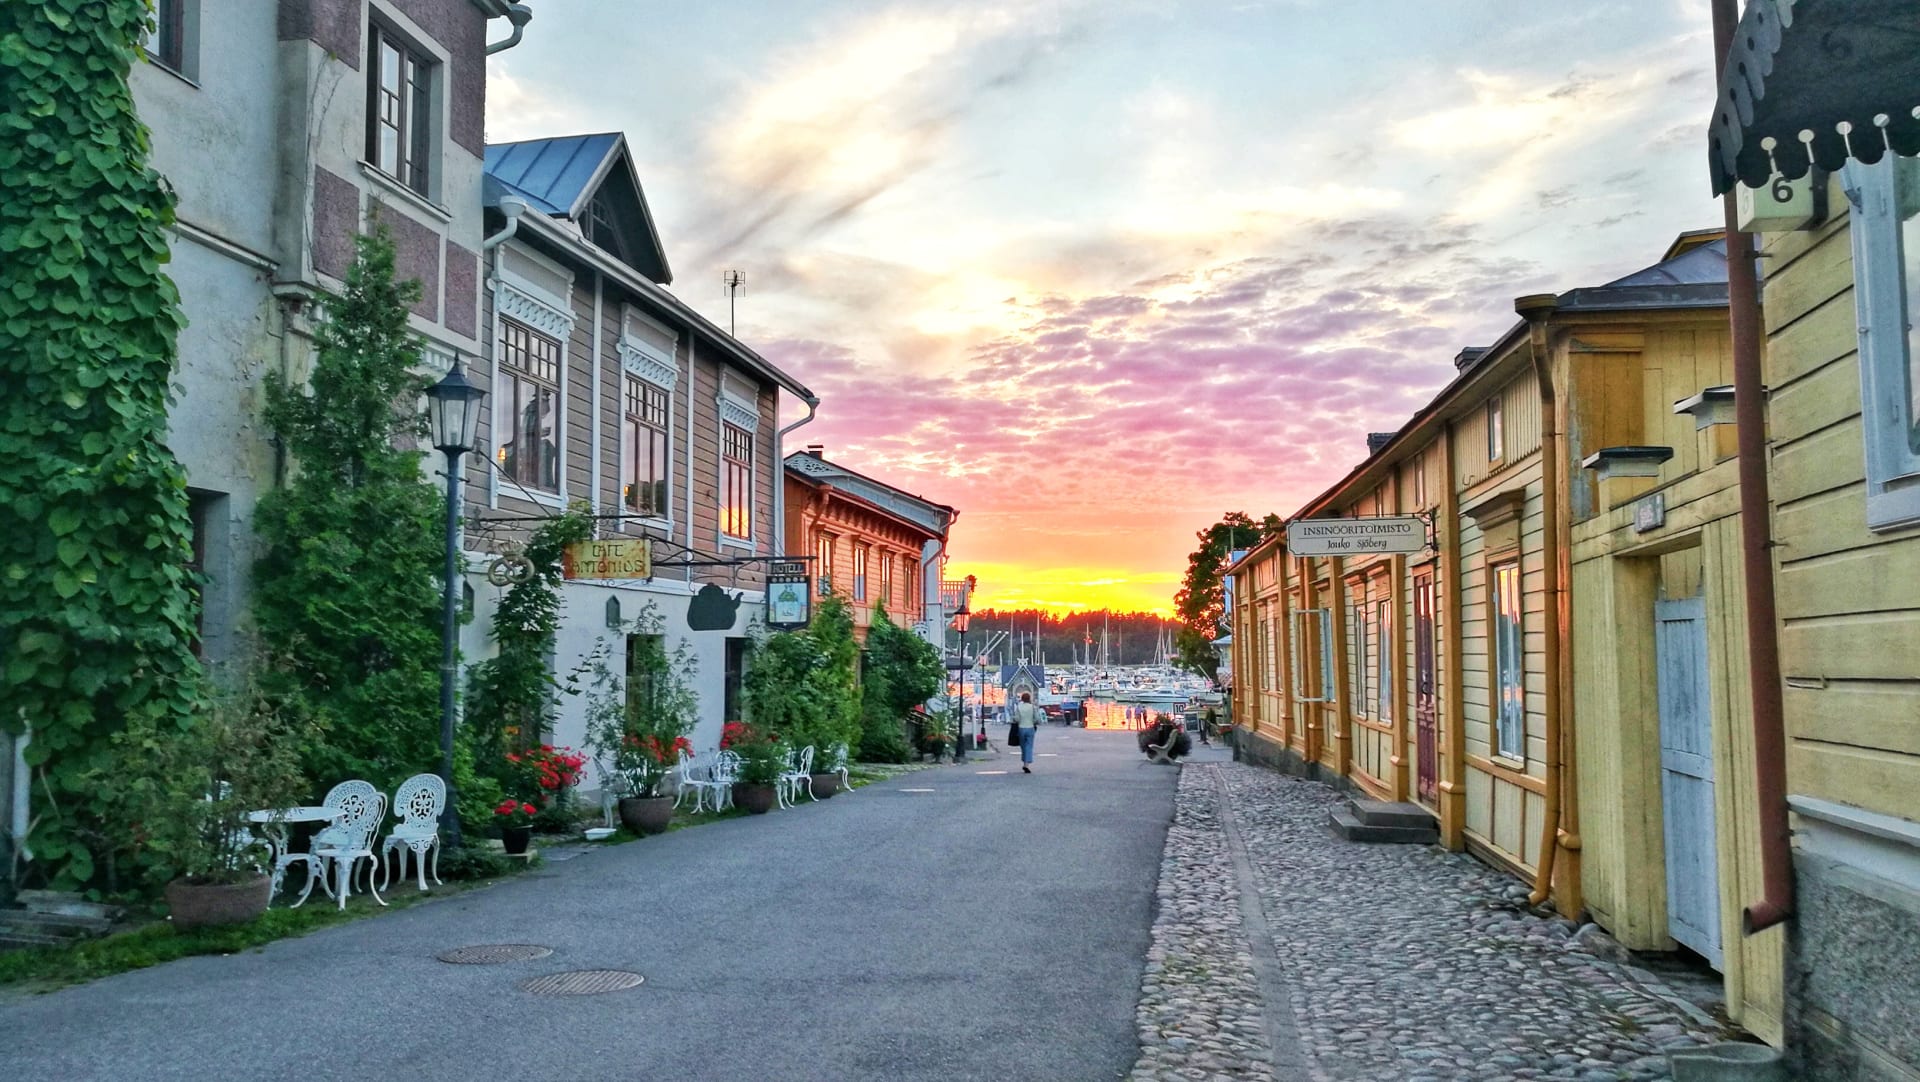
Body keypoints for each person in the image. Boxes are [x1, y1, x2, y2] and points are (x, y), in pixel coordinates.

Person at [1011, 692, 1043, 773]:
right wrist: (1035, 722)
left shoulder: (1019, 707)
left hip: (1021, 728)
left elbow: (1017, 719)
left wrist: (1014, 719)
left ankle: (1024, 761)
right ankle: (1026, 764)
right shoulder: (1033, 707)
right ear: (1029, 699)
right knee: (1029, 746)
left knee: (1023, 746)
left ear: (1022, 699)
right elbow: (1036, 718)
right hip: (1030, 727)